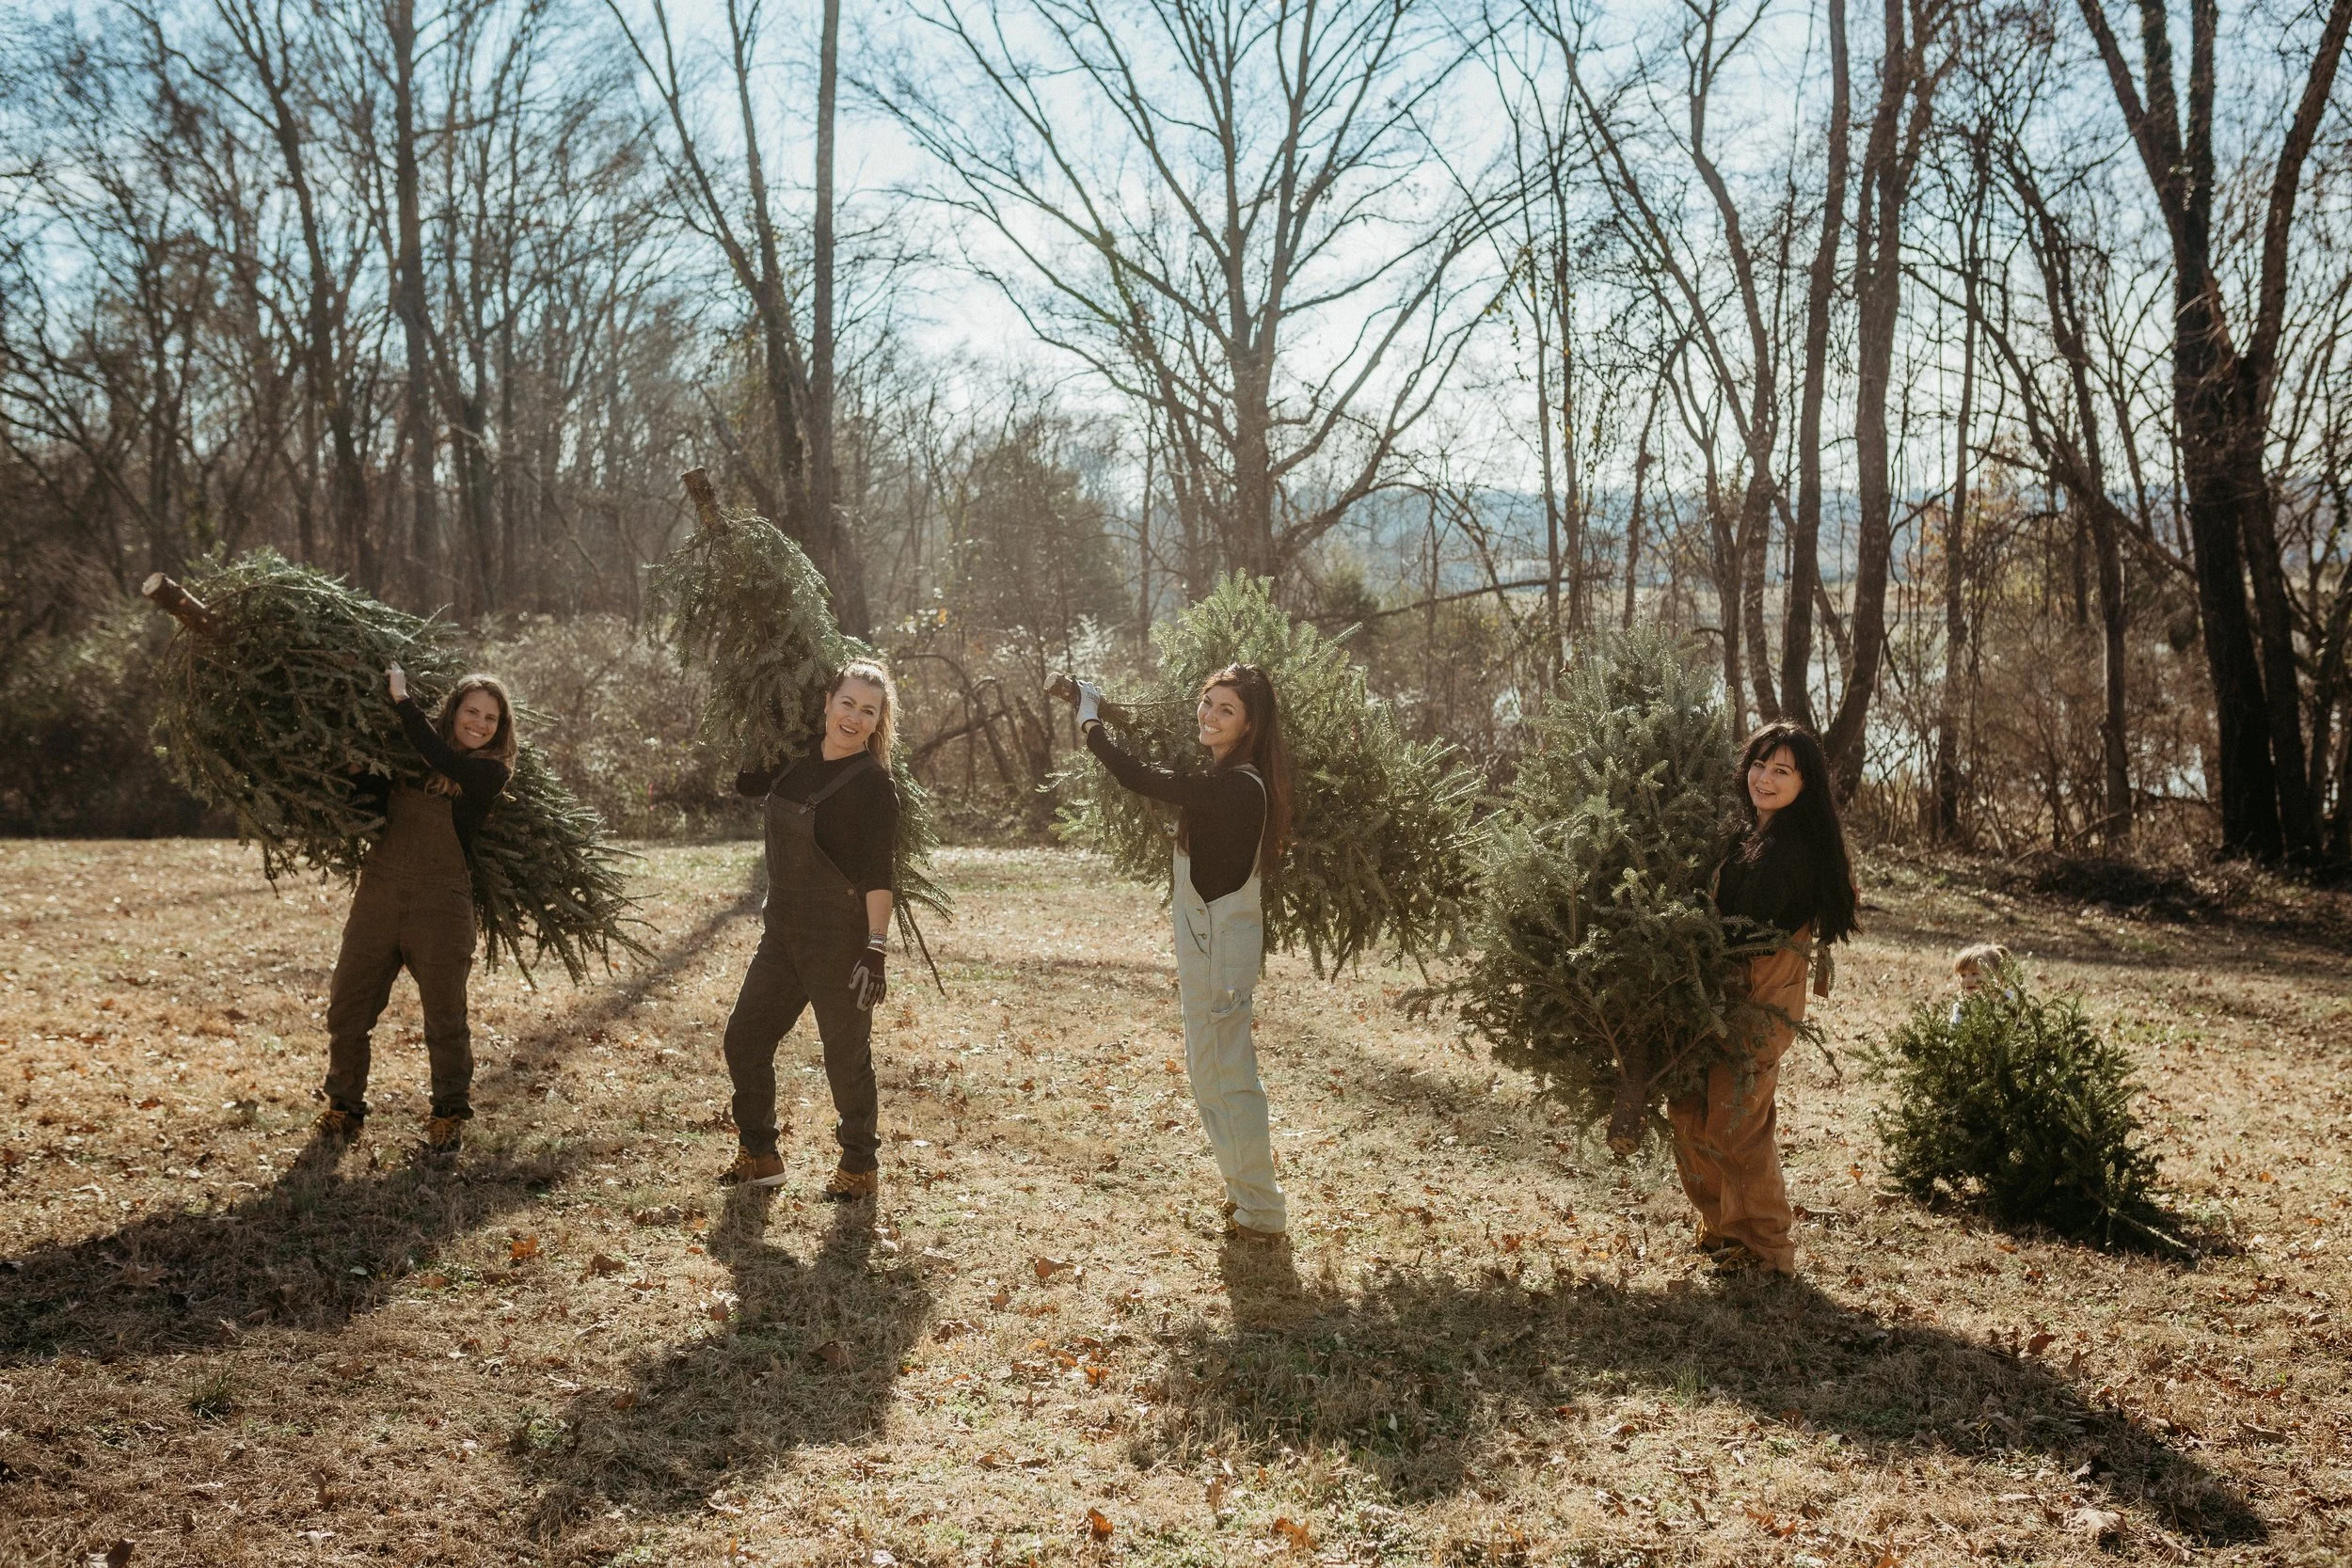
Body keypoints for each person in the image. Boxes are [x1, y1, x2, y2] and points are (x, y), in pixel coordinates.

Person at [1069, 665, 1295, 1242]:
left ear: (1249, 726)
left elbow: (1141, 777)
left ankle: (1262, 1211)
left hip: (1218, 950)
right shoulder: (1226, 777)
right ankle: (1247, 1199)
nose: (1209, 716)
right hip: (1212, 944)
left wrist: (1091, 723)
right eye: (1206, 702)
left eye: (1226, 710)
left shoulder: (1238, 786)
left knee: (1227, 1077)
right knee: (1210, 1072)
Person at [1675, 720, 1859, 1276]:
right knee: (1687, 1111)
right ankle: (1723, 1230)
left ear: (1806, 783)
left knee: (1736, 1121)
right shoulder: (1743, 832)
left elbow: (1747, 931)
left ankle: (1767, 1251)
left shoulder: (1795, 850)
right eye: (1759, 764)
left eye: (1782, 771)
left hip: (1758, 1002)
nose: (1765, 778)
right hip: (1714, 995)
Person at [314, 664, 516, 1158]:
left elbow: (442, 757)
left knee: (445, 1018)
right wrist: (354, 770)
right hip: (379, 897)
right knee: (348, 1006)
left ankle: (448, 1113)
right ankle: (344, 1104)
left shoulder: (490, 772)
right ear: (454, 712)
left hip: (441, 908)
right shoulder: (410, 757)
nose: (480, 723)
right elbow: (371, 804)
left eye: (491, 717)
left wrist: (401, 699)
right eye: (472, 711)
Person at [717, 660, 901, 1199]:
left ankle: (859, 1167)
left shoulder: (874, 786)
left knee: (845, 1059)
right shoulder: (791, 764)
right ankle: (760, 1154)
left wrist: (875, 947)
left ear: (877, 721)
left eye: (868, 710)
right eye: (846, 703)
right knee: (745, 1040)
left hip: (841, 943)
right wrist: (770, 716)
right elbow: (746, 781)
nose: (854, 717)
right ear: (826, 702)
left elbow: (877, 874)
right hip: (782, 937)